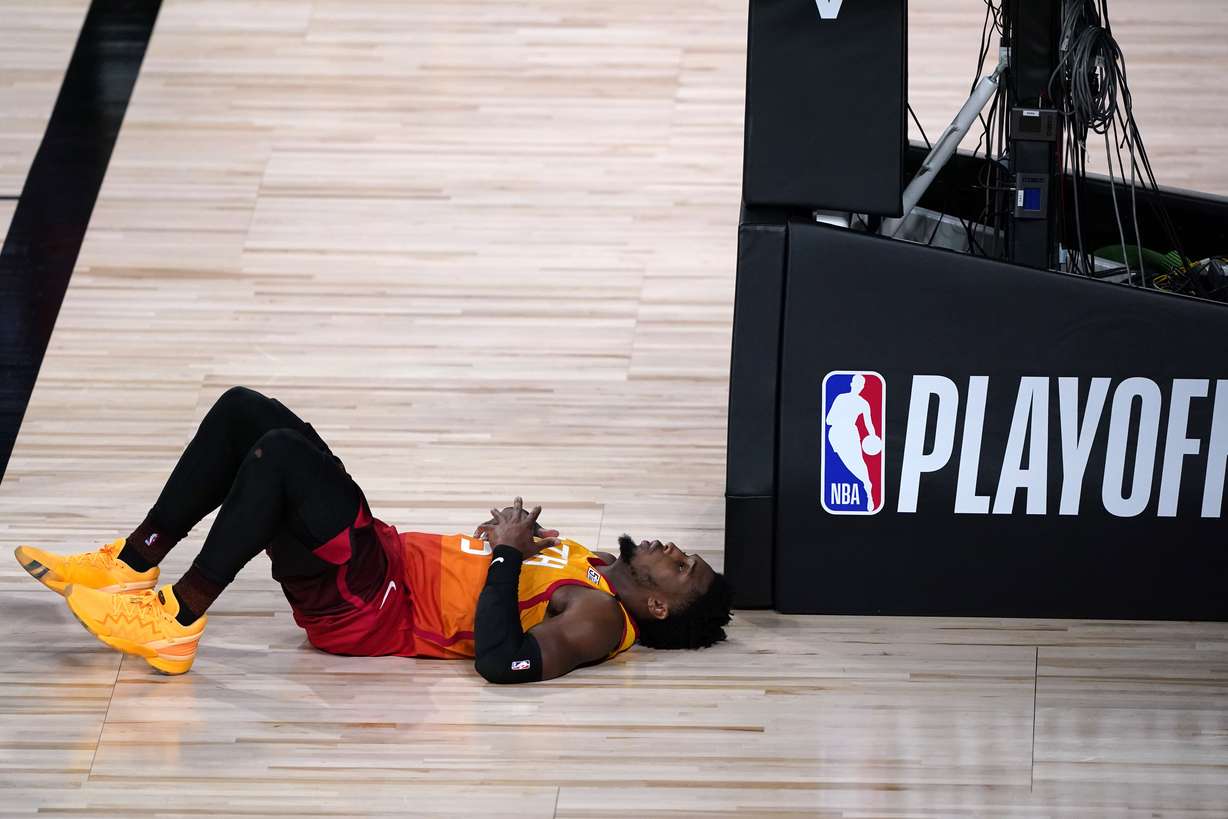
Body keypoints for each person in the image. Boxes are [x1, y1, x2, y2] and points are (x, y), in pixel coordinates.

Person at [14, 387, 733, 682]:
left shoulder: (604, 619)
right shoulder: (601, 570)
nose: (674, 549)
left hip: (373, 604)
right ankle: (133, 564)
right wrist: (500, 540)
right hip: (381, 561)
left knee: (279, 457)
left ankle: (176, 618)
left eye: (683, 566)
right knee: (244, 412)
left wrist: (509, 551)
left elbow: (502, 661)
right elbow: (503, 586)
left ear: (661, 606)